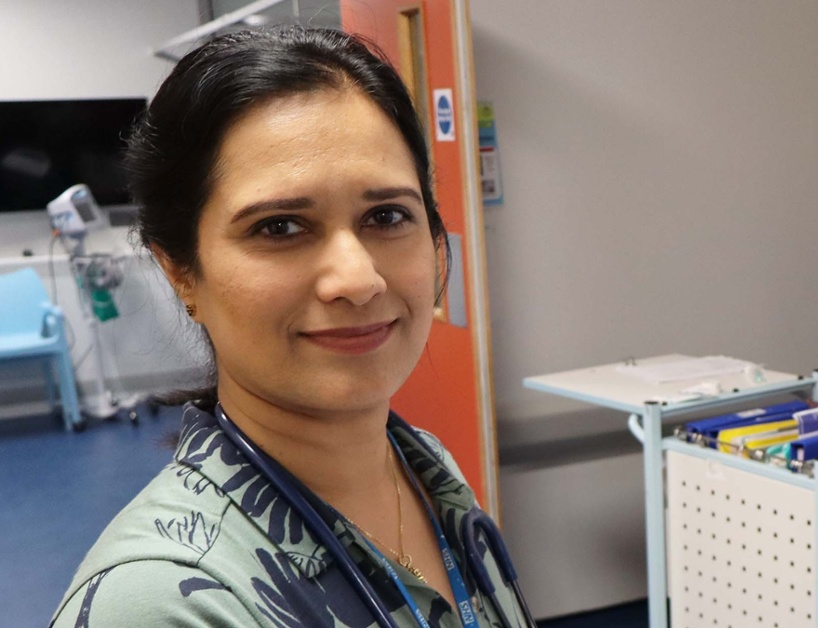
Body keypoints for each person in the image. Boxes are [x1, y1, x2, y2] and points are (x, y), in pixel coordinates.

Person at [51, 26, 529, 627]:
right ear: (180, 272)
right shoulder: (164, 601)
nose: (358, 280)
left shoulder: (425, 468)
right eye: (279, 226)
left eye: (386, 215)